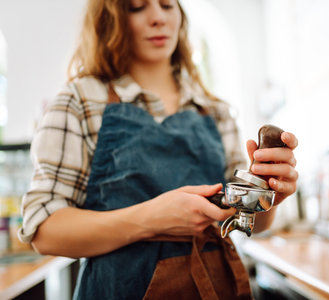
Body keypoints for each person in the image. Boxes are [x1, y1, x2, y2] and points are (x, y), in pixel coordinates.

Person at [19, 0, 298, 299]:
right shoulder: (79, 101)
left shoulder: (215, 111)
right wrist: (151, 219)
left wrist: (269, 195)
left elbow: (247, 221)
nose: (157, 18)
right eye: (137, 7)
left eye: (167, 5)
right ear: (110, 19)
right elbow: (44, 231)